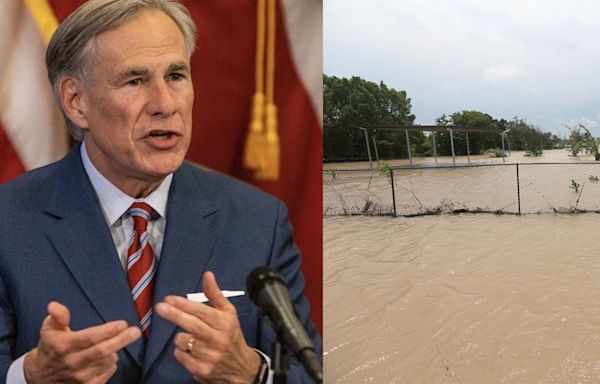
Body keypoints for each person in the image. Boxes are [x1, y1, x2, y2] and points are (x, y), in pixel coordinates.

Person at [0, 0, 322, 382]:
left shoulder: (259, 219)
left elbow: (310, 371)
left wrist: (253, 373)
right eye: (135, 81)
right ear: (76, 101)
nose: (165, 104)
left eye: (176, 75)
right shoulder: (9, 220)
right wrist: (31, 375)